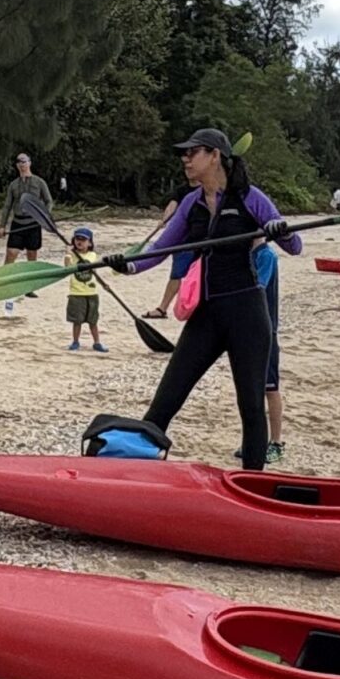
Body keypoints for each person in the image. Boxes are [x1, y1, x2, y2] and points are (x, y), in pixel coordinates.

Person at [108, 129, 301, 470]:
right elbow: (163, 248)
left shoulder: (249, 197)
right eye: (184, 153)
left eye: (192, 152)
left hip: (247, 313)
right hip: (207, 315)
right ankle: (133, 472)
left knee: (251, 406)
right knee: (166, 399)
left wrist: (280, 230)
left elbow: (294, 246)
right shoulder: (191, 203)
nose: (185, 158)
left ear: (214, 156)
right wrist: (128, 265)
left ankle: (252, 483)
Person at [255, 242, 286, 461]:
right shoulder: (245, 253)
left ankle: (276, 442)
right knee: (251, 391)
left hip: (266, 333)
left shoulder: (266, 255)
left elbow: (258, 288)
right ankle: (254, 439)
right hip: (248, 333)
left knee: (270, 388)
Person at [0, 153, 54, 280]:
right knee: (11, 253)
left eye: (24, 161)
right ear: (17, 165)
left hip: (33, 223)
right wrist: (2, 226)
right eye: (19, 162)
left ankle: (30, 284)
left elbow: (49, 201)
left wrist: (44, 216)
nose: (22, 164)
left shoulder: (39, 182)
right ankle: (3, 279)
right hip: (17, 223)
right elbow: (7, 206)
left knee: (32, 255)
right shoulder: (13, 185)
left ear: (30, 163)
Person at [140, 194, 192, 320]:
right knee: (177, 275)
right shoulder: (183, 191)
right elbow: (172, 206)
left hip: (200, 241)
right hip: (182, 242)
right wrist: (164, 220)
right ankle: (163, 308)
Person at [63, 227, 107, 352]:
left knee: (93, 321)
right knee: (77, 321)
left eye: (83, 239)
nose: (80, 242)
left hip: (92, 293)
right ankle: (75, 341)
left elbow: (95, 272)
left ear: (90, 243)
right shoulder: (72, 256)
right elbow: (66, 267)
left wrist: (103, 284)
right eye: (77, 239)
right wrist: (67, 253)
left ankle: (97, 342)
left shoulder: (92, 255)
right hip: (76, 293)